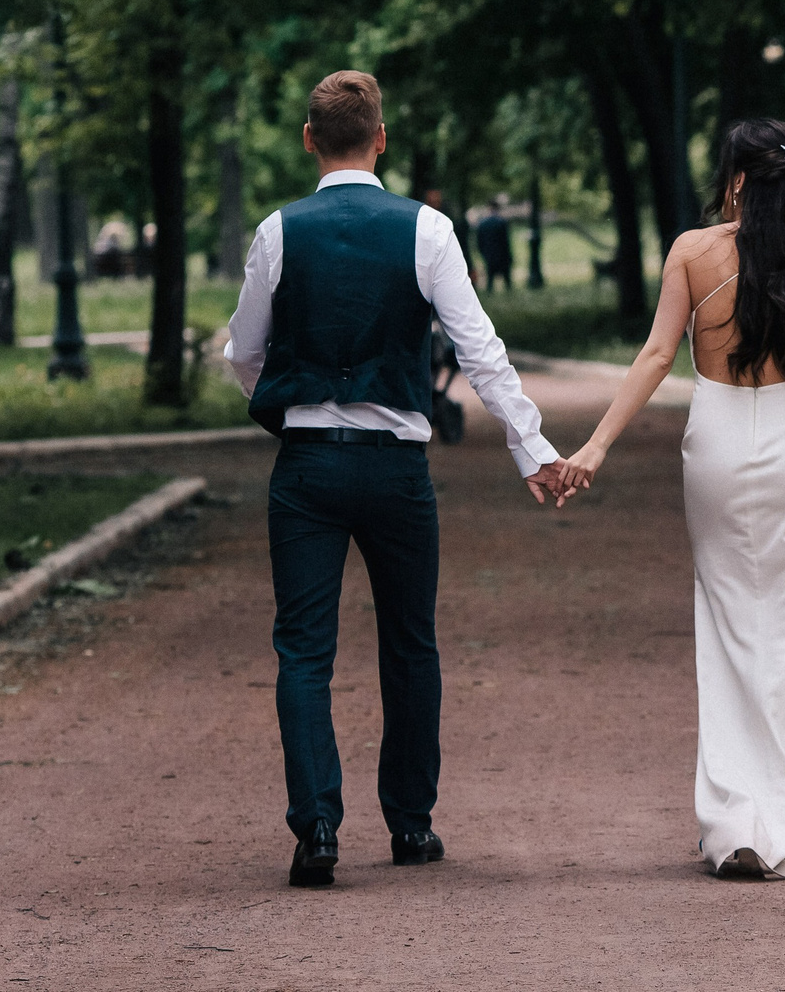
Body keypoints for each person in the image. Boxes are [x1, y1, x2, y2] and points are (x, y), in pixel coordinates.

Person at [224, 70, 584, 889]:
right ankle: (411, 823)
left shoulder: (280, 231)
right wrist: (533, 451)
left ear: (310, 139)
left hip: (307, 466)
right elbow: (480, 351)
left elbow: (243, 353)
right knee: (410, 644)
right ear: (380, 138)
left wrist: (287, 405)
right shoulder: (428, 229)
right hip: (395, 469)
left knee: (303, 649)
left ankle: (316, 825)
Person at [563, 117, 785, 880]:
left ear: (739, 178)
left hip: (715, 438)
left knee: (725, 623)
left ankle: (729, 820)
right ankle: (779, 820)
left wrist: (596, 445)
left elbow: (655, 355)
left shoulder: (690, 250)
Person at [477, 197, 515, 292]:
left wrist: (483, 252)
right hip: (502, 254)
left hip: (489, 253)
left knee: (490, 278)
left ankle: (490, 291)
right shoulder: (501, 222)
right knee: (506, 278)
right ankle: (509, 291)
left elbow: (479, 242)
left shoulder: (482, 224)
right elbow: (506, 241)